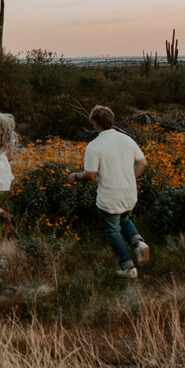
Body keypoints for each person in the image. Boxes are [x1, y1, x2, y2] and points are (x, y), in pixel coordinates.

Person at [67, 105, 149, 279]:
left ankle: (128, 268)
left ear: (95, 123)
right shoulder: (126, 139)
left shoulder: (95, 145)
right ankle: (139, 244)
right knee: (124, 217)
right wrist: (130, 178)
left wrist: (75, 176)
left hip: (110, 196)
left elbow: (90, 175)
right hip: (129, 192)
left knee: (112, 230)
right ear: (111, 120)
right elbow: (143, 163)